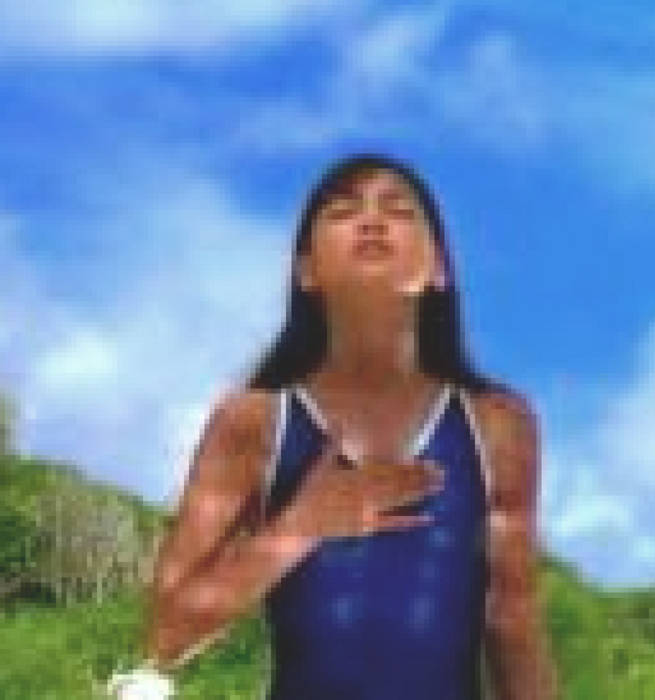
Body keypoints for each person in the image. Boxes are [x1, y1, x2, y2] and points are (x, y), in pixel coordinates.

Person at [130, 153, 557, 699]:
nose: (372, 221)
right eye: (343, 211)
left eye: (398, 210)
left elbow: (514, 624)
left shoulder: (497, 423)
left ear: (439, 270)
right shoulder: (254, 421)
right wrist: (297, 529)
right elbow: (167, 633)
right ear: (306, 271)